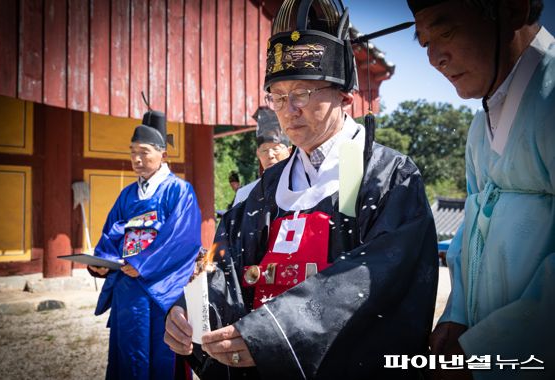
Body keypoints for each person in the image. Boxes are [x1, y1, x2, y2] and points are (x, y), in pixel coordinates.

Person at [165, 1, 439, 379]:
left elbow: (380, 278)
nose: (288, 110)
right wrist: (193, 312)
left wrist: (273, 332)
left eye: (303, 93)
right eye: (277, 96)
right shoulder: (267, 187)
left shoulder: (384, 175)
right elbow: (226, 267)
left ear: (345, 95)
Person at [408, 0, 554, 378]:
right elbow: (472, 228)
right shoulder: (480, 127)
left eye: (446, 30)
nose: (435, 57)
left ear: (512, 11)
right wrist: (457, 314)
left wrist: (484, 348)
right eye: (424, 42)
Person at [87, 110, 202, 379]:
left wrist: (141, 264)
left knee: (161, 355)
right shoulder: (127, 194)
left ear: (162, 152)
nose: (137, 159)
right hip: (127, 288)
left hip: (160, 290)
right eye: (132, 152)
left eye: (144, 151)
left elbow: (182, 238)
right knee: (127, 356)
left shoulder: (179, 190)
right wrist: (102, 263)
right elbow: (112, 233)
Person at [232, 107, 291, 206]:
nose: (270, 155)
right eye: (264, 150)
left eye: (276, 149)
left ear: (290, 151)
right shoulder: (245, 195)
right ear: (258, 154)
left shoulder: (303, 186)